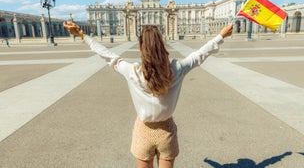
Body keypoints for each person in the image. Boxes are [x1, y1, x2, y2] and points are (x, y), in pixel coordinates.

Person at [63, 21, 233, 168]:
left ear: (140, 48)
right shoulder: (177, 69)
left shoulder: (132, 72)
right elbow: (199, 55)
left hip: (143, 132)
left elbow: (108, 55)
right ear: (162, 45)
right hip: (167, 132)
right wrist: (221, 36)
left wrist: (82, 34)